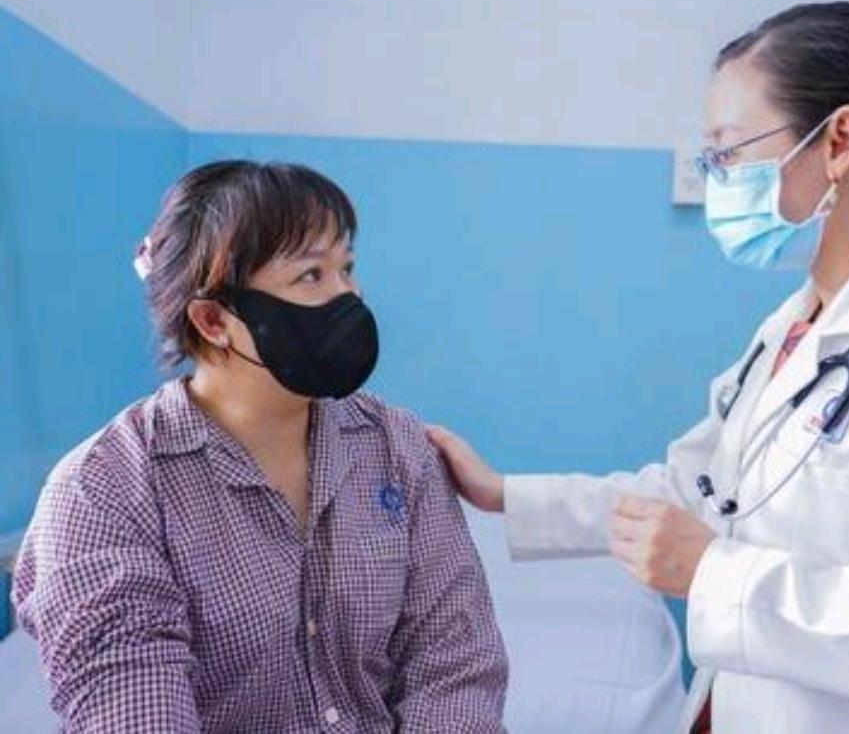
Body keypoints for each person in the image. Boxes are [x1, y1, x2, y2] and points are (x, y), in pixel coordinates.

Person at [428, 2, 849, 734]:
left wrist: (716, 575)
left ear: (841, 140)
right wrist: (505, 495)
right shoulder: (797, 326)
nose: (716, 179)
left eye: (729, 152)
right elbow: (696, 491)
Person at [13, 161, 509, 733]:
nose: (349, 297)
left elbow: (454, 669)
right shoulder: (104, 491)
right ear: (213, 320)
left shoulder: (400, 451)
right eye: (311, 275)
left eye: (347, 268)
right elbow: (132, 708)